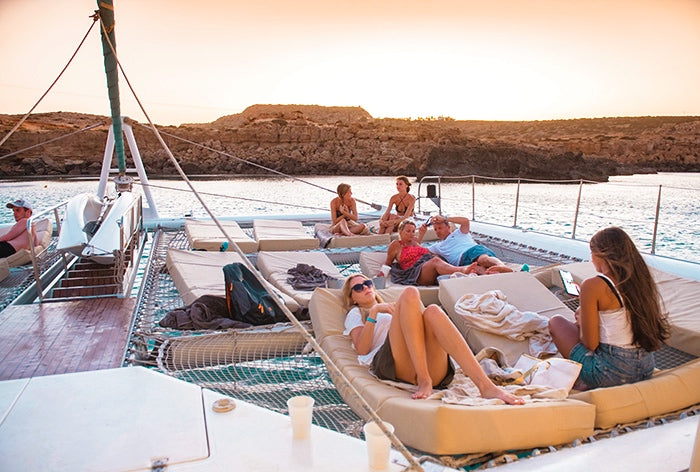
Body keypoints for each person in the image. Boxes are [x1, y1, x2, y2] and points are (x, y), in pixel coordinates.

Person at [342, 274, 525, 403]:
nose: (366, 287)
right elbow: (362, 349)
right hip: (392, 364)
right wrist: (374, 312)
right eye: (358, 287)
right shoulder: (356, 312)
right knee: (410, 292)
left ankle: (486, 387)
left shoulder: (394, 306)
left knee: (433, 311)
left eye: (368, 283)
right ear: (353, 298)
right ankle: (423, 379)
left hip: (430, 367)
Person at [548, 227, 670, 390]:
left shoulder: (593, 285)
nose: (591, 259)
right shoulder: (640, 280)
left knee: (556, 323)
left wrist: (582, 315)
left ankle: (586, 380)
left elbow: (590, 343)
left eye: (592, 253)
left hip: (613, 374)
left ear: (601, 255)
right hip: (645, 368)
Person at [385, 219, 471, 285]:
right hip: (414, 273)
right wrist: (380, 275)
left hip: (426, 268)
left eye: (413, 231)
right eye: (408, 231)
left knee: (437, 258)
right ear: (400, 231)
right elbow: (388, 263)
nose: (411, 234)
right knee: (435, 261)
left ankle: (475, 272)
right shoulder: (396, 245)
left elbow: (423, 250)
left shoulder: (414, 242)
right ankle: (463, 270)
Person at [419, 215, 513, 275]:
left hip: (473, 250)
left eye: (440, 228)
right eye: (435, 229)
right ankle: (495, 275)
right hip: (462, 262)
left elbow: (465, 221)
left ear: (448, 227)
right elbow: (418, 250)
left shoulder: (459, 233)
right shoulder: (437, 246)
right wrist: (421, 234)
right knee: (478, 269)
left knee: (482, 259)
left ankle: (501, 266)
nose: (437, 231)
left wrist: (444, 218)